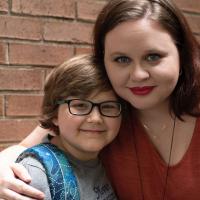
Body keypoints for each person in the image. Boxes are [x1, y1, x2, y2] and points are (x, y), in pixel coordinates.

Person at [0, 0, 200, 199]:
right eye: (121, 59)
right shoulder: (107, 109)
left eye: (153, 56)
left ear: (182, 56)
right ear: (104, 62)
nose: (138, 75)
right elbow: (23, 148)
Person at [0, 54, 123, 200]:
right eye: (80, 105)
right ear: (54, 114)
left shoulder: (109, 159)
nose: (96, 118)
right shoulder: (34, 175)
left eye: (108, 106)